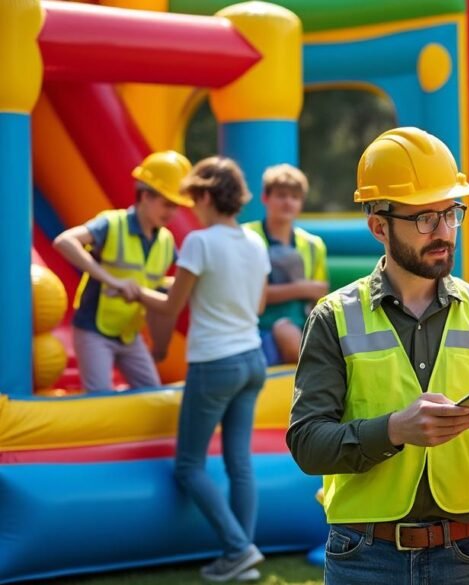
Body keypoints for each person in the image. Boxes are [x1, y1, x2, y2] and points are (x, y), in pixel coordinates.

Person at [287, 127, 469, 585]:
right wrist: (392, 430)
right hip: (364, 557)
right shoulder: (333, 317)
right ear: (378, 225)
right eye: (425, 218)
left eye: (451, 213)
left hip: (468, 554)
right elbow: (306, 442)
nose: (444, 232)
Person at [128, 156, 270, 582]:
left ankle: (238, 547)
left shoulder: (199, 243)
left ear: (207, 195)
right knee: (239, 464)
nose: (191, 206)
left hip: (215, 363)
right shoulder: (255, 242)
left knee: (188, 465)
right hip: (252, 359)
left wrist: (137, 292)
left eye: (193, 197)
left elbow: (172, 306)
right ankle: (241, 556)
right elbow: (258, 305)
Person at [54, 150, 192, 391]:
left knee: (153, 395)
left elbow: (172, 283)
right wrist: (111, 280)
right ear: (146, 195)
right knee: (100, 399)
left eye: (176, 206)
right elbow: (64, 241)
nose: (172, 212)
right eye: (167, 203)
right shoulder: (112, 223)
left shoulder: (166, 241)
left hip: (130, 335)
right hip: (93, 329)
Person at [243, 164, 328, 365]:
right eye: (281, 195)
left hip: (299, 322)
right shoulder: (246, 236)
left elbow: (320, 293)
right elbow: (248, 295)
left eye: (295, 197)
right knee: (285, 333)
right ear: (265, 198)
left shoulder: (313, 244)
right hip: (254, 326)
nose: (288, 202)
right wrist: (300, 288)